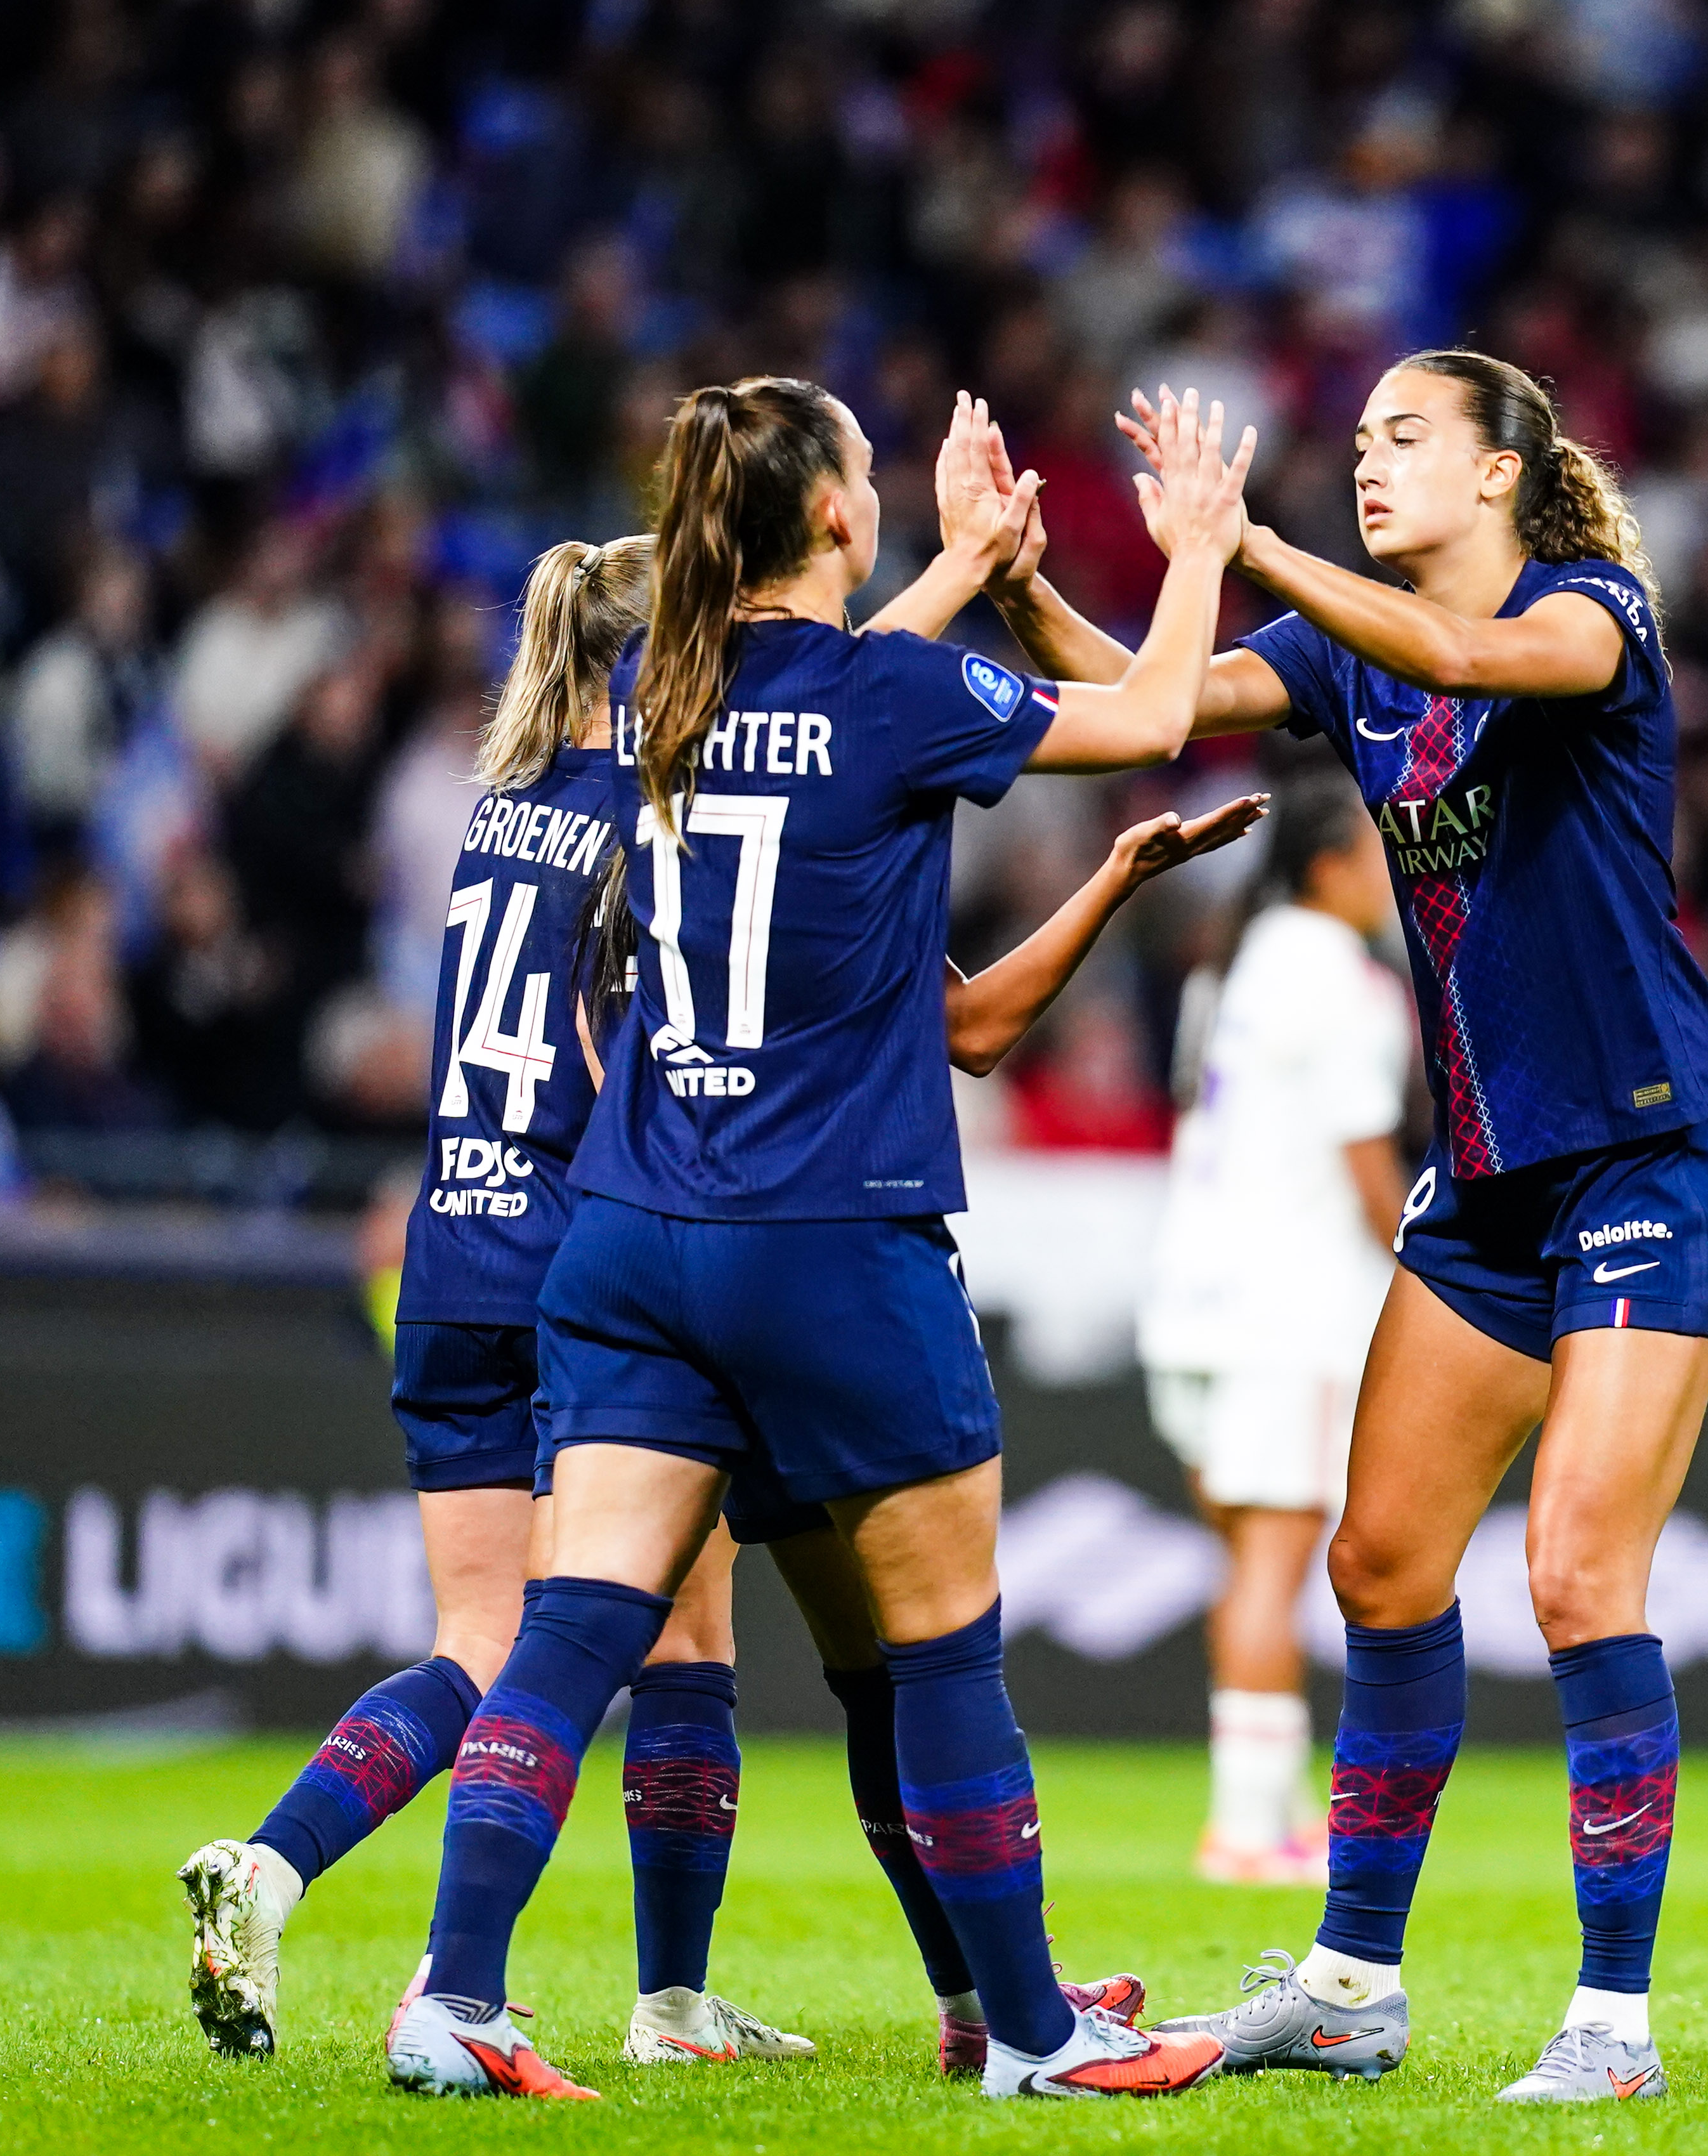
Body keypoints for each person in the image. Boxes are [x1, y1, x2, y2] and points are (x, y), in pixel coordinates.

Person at [181, 452, 1261, 2082]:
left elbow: (817, 689)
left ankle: (454, 1993)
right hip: (811, 1230)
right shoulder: (859, 709)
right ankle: (1016, 2020)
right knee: (923, 1650)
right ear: (834, 516)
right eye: (865, 475)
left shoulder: (633, 742)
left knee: (555, 1637)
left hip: (591, 1241)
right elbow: (1094, 736)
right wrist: (1184, 549)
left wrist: (959, 570)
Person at [976, 352, 1708, 2104]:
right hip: (1485, 1185)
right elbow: (1147, 700)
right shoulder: (1346, 650)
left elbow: (1468, 660)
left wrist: (1239, 536)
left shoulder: (1590, 609)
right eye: (1361, 443)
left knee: (1570, 1573)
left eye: (1407, 439)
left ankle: (1611, 2026)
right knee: (1380, 1564)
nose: (1372, 463)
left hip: (1644, 1159)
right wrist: (1030, 582)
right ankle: (1347, 1984)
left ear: (1502, 474)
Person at [1135, 766, 1408, 1886]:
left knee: (1248, 1559)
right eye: (1382, 851)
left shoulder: (1233, 966)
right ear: (1334, 862)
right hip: (1290, 1308)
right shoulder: (1342, 981)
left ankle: (1270, 1805)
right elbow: (1365, 1169)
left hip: (1195, 1298)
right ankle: (1248, 1829)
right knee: (1275, 1564)